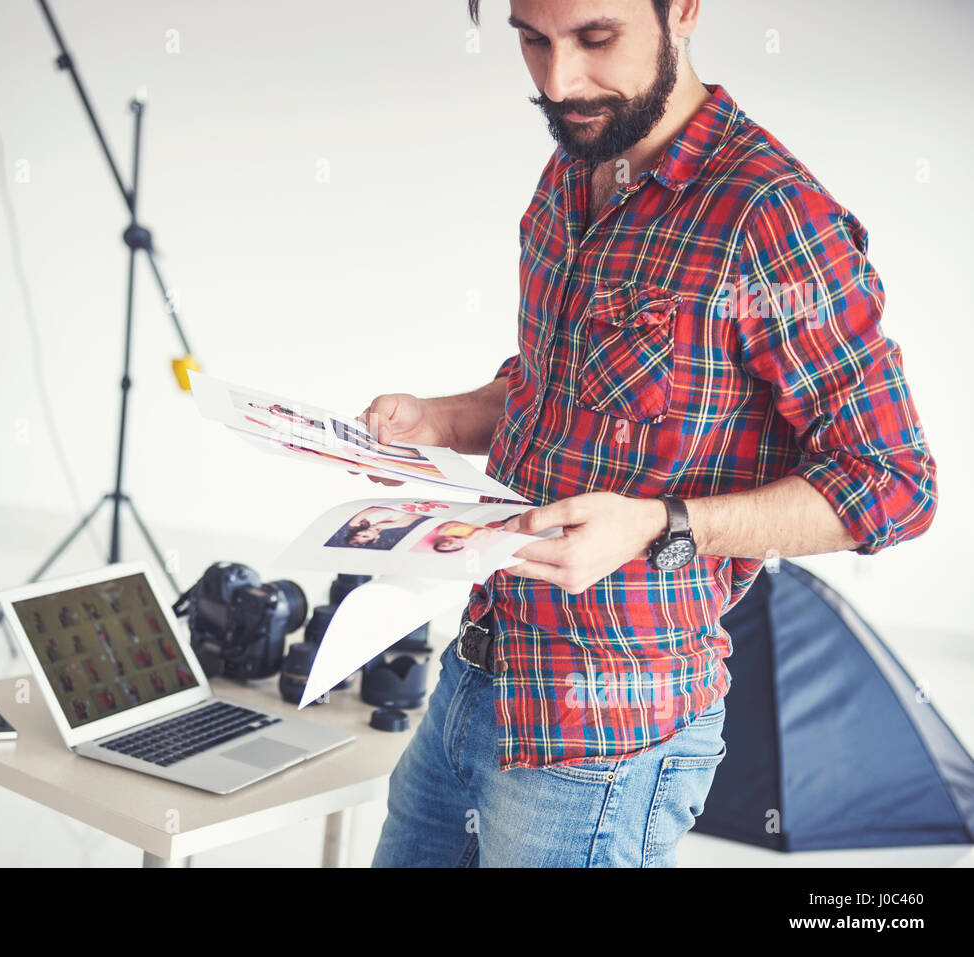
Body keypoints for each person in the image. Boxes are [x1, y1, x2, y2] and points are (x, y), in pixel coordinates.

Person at [364, 0, 936, 867]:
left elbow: (893, 482)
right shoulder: (574, 166)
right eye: (531, 39)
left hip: (605, 735)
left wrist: (662, 524)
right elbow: (556, 386)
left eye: (596, 38)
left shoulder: (773, 218)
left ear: (686, 11)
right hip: (473, 678)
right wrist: (440, 418)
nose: (560, 83)